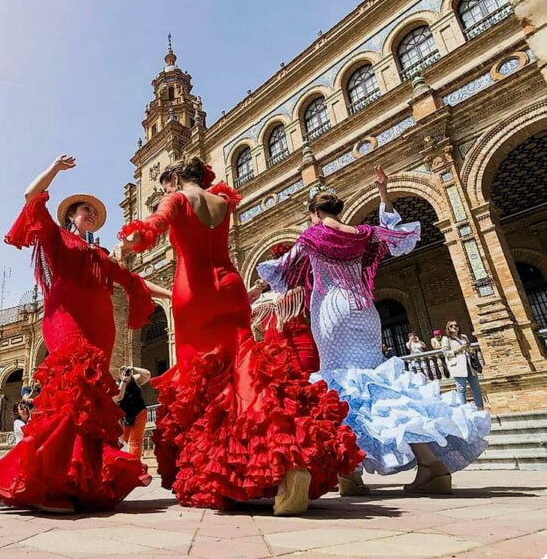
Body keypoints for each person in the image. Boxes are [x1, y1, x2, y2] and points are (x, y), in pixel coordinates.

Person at [119, 159, 363, 515]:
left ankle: (228, 470)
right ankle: (289, 459)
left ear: (173, 180)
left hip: (195, 292)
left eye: (165, 186)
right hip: (230, 285)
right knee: (246, 370)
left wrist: (135, 237)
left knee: (203, 382)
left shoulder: (175, 199)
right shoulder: (222, 201)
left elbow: (152, 228)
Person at [259, 167, 490, 496]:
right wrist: (383, 193)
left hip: (332, 312)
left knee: (340, 388)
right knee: (379, 385)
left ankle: (351, 474)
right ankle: (430, 464)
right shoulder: (362, 234)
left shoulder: (311, 236)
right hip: (365, 311)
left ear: (314, 212)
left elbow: (282, 270)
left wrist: (259, 291)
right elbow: (396, 236)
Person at [0, 155, 169, 513]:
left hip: (101, 327)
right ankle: (47, 481)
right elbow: (30, 197)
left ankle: (76, 479)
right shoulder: (57, 237)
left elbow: (133, 281)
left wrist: (174, 294)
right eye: (85, 211)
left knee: (90, 402)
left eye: (95, 214)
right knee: (71, 390)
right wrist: (53, 168)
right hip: (66, 319)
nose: (91, 216)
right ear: (71, 216)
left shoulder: (99, 253)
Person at [248, 243, 320, 374]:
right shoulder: (260, 300)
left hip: (303, 351)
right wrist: (259, 286)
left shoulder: (299, 290)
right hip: (273, 359)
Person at [441, 322, 485, 410]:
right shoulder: (446, 339)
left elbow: (468, 347)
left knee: (476, 388)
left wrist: (470, 350)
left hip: (469, 364)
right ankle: (464, 410)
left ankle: (480, 408)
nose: (454, 327)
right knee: (461, 389)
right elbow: (446, 353)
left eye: (456, 325)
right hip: (458, 365)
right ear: (448, 328)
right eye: (451, 326)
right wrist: (460, 349)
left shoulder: (464, 337)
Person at [112, 366, 151, 463]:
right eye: (123, 372)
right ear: (119, 374)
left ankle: (134, 464)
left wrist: (133, 369)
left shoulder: (135, 380)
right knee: (121, 442)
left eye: (126, 372)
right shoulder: (117, 384)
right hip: (124, 416)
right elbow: (119, 397)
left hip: (139, 412)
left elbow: (147, 375)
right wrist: (124, 382)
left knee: (135, 442)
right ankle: (121, 463)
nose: (125, 374)